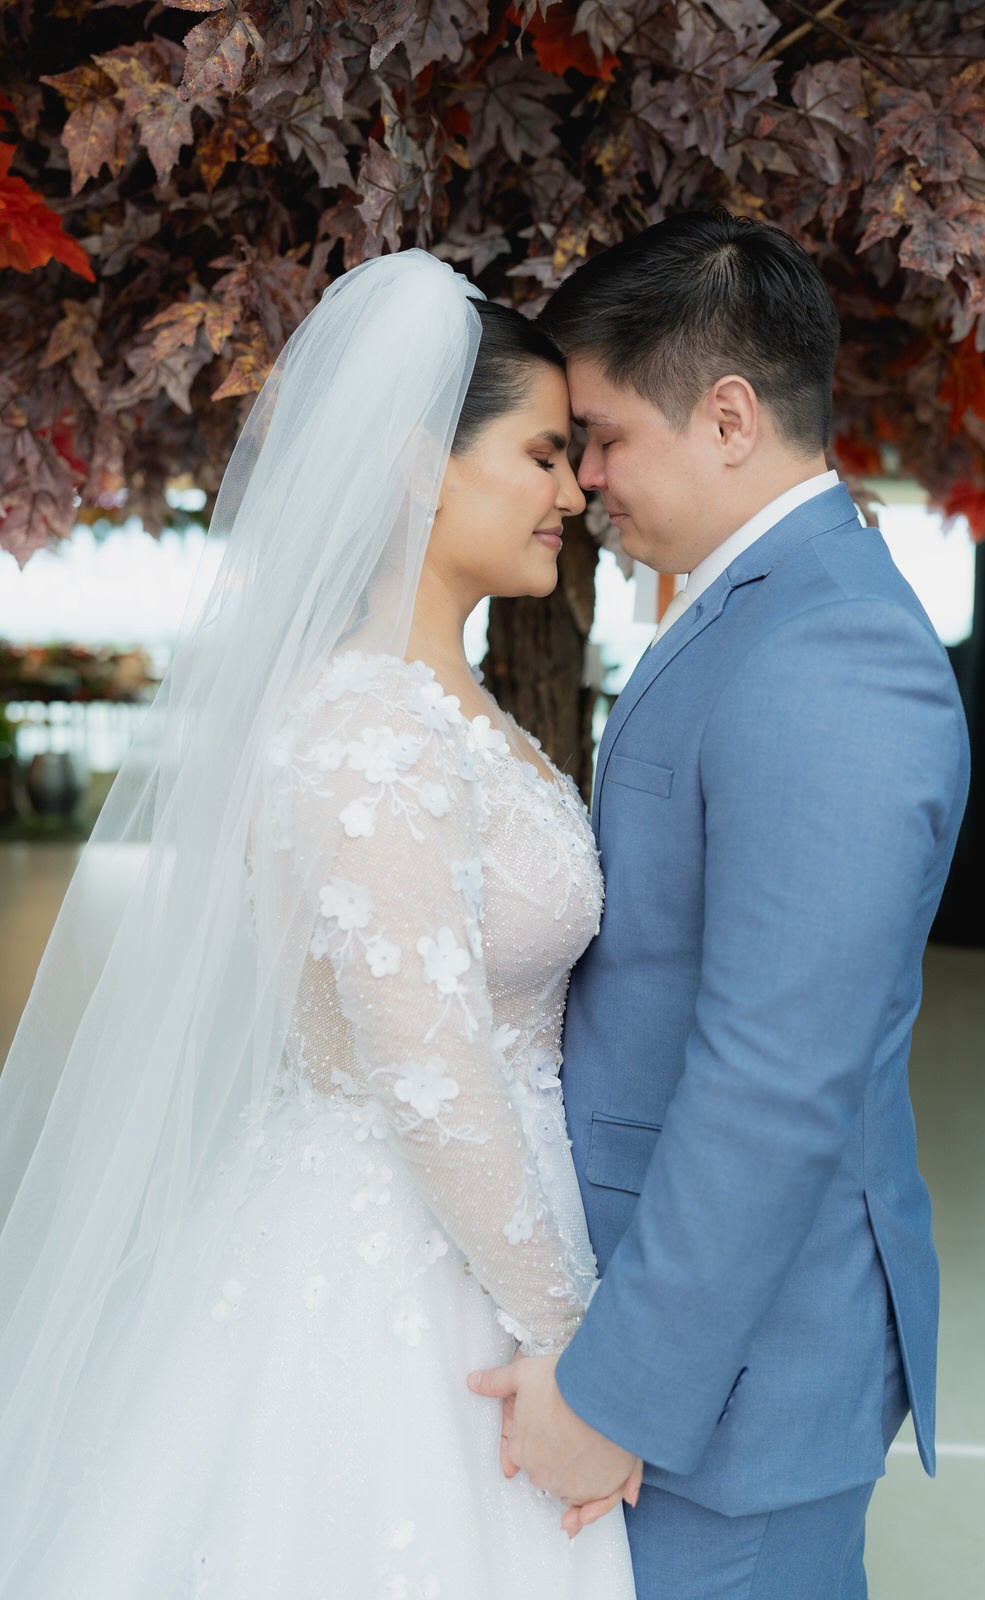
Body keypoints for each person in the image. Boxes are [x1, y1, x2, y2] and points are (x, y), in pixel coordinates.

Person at [0, 251, 636, 1599]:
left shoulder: (457, 711)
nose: (572, 493)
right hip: (398, 1265)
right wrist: (574, 1346)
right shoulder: (366, 725)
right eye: (540, 455)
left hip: (485, 1239)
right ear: (419, 467)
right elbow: (429, 1069)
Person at [470, 209, 970, 1598]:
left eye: (605, 437)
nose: (586, 480)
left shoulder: (833, 650)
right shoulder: (754, 605)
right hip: (673, 1332)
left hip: (730, 1384)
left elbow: (776, 1074)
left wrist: (619, 1393)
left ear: (731, 417)